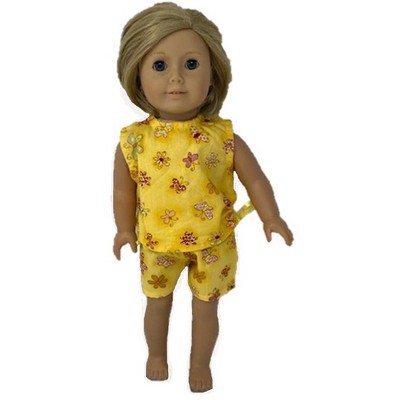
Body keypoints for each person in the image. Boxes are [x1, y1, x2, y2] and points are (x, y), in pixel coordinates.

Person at [113, 2, 293, 393]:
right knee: (157, 303)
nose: (176, 78)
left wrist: (271, 216)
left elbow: (255, 178)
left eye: (192, 64)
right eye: (159, 66)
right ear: (137, 75)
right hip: (158, 241)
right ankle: (156, 354)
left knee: (206, 308)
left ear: (213, 75)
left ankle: (199, 363)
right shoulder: (134, 140)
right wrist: (123, 229)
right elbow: (124, 189)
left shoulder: (223, 137)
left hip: (213, 241)